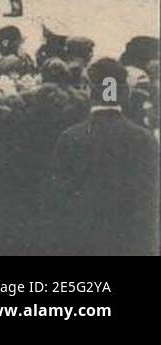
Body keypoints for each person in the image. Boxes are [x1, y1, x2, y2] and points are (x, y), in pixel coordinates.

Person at [47, 59, 160, 255]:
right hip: (131, 242)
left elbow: (59, 197)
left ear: (90, 91)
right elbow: (150, 200)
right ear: (125, 92)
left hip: (84, 242)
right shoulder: (145, 139)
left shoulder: (71, 137)